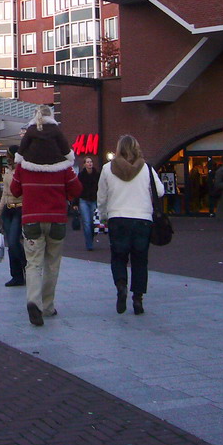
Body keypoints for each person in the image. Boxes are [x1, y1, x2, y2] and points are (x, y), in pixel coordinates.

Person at [10, 105, 81, 326]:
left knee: (33, 264)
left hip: (31, 219)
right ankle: (48, 306)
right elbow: (77, 190)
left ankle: (33, 301)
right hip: (57, 220)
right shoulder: (63, 167)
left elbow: (14, 191)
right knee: (52, 264)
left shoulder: (24, 168)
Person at [96, 135, 164, 315]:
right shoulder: (146, 168)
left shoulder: (107, 169)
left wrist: (103, 216)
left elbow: (101, 197)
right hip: (142, 219)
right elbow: (160, 191)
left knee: (118, 256)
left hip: (117, 217)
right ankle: (138, 298)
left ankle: (121, 286)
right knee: (140, 259)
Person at [0, 146, 25, 286]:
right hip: (8, 209)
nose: (7, 157)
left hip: (19, 208)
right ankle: (17, 275)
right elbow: (4, 194)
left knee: (13, 242)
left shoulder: (22, 170)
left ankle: (27, 265)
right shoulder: (7, 170)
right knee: (10, 244)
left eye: (8, 154)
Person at [76, 156, 101, 251]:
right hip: (84, 200)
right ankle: (89, 244)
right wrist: (75, 202)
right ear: (84, 164)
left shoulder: (97, 175)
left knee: (92, 222)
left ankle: (91, 237)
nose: (90, 163)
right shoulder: (81, 176)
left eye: (91, 162)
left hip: (94, 200)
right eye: (88, 162)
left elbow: (100, 188)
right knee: (86, 222)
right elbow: (77, 189)